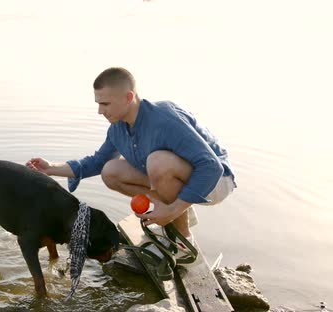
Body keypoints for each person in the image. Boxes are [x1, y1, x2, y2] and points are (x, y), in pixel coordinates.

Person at [26, 67, 235, 241]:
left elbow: (211, 166)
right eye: (98, 103)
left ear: (128, 97)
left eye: (105, 103)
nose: (100, 111)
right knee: (111, 171)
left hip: (216, 181)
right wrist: (51, 168)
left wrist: (173, 210)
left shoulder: (164, 118)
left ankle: (182, 237)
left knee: (158, 162)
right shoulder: (118, 129)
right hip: (184, 179)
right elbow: (97, 163)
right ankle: (174, 211)